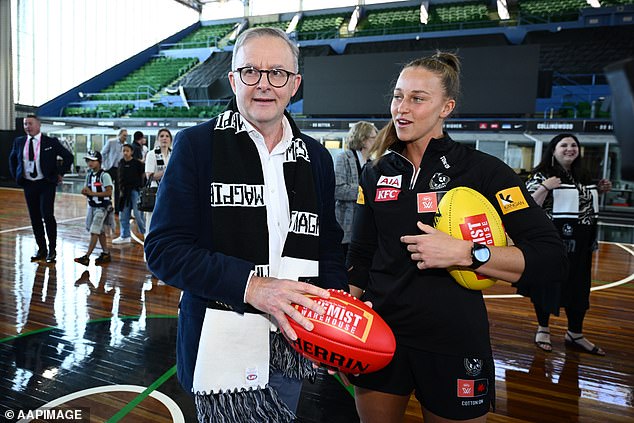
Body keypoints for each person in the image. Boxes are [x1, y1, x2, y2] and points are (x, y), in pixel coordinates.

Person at [345, 52, 566, 423]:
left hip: (452, 340)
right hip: (381, 334)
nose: (402, 108)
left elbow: (551, 257)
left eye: (417, 98)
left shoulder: (483, 171)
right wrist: (343, 323)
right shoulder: (376, 172)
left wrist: (466, 253)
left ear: (446, 107)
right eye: (398, 96)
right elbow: (362, 255)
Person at [144, 27, 347, 422]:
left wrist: (334, 316)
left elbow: (328, 248)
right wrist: (253, 287)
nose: (264, 85)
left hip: (294, 345)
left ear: (295, 84)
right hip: (220, 349)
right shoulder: (196, 146)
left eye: (278, 73)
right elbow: (164, 250)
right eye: (251, 71)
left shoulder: (318, 159)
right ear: (233, 79)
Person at [525, 133, 611, 355]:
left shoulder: (583, 175)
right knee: (548, 284)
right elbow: (527, 205)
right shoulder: (541, 175)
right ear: (553, 150)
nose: (570, 149)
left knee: (579, 286)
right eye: (564, 145)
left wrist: (598, 189)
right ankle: (543, 328)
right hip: (552, 241)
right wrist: (545, 187)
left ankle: (575, 333)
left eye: (574, 145)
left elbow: (583, 204)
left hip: (581, 242)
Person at [9, 115, 74, 264]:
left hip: (46, 184)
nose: (27, 126)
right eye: (25, 124)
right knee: (35, 217)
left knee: (47, 215)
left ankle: (52, 249)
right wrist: (17, 175)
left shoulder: (50, 142)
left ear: (39, 125)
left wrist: (60, 173)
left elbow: (68, 157)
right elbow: (12, 159)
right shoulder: (19, 142)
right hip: (29, 184)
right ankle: (42, 249)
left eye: (30, 123)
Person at [334, 121, 378, 258]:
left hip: (366, 228)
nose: (376, 141)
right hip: (345, 229)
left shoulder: (373, 163)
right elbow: (338, 190)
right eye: (373, 137)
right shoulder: (344, 158)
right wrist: (364, 191)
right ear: (363, 139)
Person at [74, 150, 114, 266]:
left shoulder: (104, 175)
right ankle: (106, 253)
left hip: (102, 207)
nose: (90, 163)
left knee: (94, 231)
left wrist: (92, 194)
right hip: (92, 207)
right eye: (88, 160)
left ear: (99, 161)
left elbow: (109, 192)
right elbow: (87, 189)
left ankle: (87, 256)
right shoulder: (89, 175)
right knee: (100, 231)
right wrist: (85, 192)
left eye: (92, 160)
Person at [112, 144, 146, 244]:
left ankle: (145, 232)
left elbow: (143, 175)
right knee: (123, 214)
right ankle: (125, 235)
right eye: (124, 151)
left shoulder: (137, 163)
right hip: (124, 192)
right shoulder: (121, 163)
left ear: (131, 152)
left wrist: (141, 187)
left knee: (137, 214)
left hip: (135, 191)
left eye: (127, 151)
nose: (125, 153)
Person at [143, 128, 173, 237]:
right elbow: (149, 175)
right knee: (151, 222)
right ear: (158, 139)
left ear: (170, 139)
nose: (164, 138)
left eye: (167, 136)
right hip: (155, 191)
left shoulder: (172, 154)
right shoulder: (153, 154)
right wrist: (166, 171)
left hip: (170, 192)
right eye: (162, 136)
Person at [101, 128, 128, 211]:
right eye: (124, 135)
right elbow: (103, 153)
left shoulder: (125, 145)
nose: (125, 137)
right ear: (119, 135)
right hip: (110, 168)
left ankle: (117, 209)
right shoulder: (111, 142)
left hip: (119, 169)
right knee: (107, 187)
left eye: (126, 136)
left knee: (118, 190)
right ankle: (106, 205)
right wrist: (105, 164)